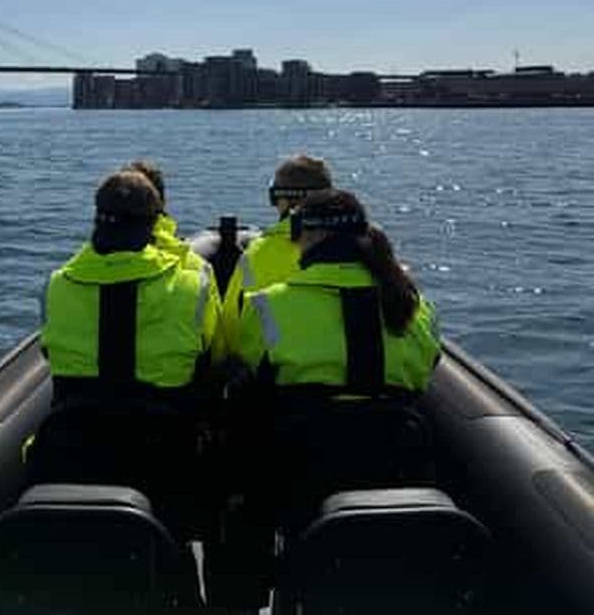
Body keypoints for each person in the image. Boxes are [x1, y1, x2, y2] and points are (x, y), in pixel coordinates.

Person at [31, 169, 222, 554]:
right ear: (156, 221)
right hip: (165, 463)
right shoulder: (194, 283)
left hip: (74, 456)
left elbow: (50, 355)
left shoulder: (56, 285)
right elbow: (214, 356)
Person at [235, 188, 441, 529]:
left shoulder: (267, 307)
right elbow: (426, 370)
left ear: (310, 234)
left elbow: (247, 363)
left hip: (300, 480)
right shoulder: (417, 309)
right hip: (395, 471)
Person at [222, 154, 332, 352]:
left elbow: (231, 325)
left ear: (280, 198)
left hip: (275, 372)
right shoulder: (365, 248)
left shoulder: (256, 256)